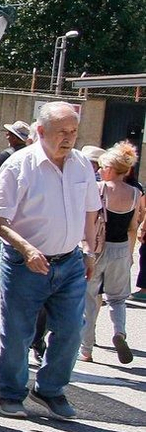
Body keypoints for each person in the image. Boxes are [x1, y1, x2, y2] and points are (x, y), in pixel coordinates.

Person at [0, 101, 100, 419]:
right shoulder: (19, 166)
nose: (68, 138)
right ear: (40, 131)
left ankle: (50, 389)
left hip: (69, 261)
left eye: (74, 131)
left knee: (72, 329)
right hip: (26, 262)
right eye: (61, 132)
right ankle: (11, 393)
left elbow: (91, 210)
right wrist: (27, 249)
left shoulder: (81, 164)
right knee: (18, 331)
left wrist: (90, 249)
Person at [83, 142, 139, 364]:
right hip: (121, 248)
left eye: (102, 167)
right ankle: (119, 332)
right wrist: (130, 254)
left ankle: (86, 350)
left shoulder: (100, 189)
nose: (99, 170)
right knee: (118, 299)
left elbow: (88, 220)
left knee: (89, 298)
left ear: (111, 169)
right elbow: (133, 226)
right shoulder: (135, 193)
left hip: (97, 249)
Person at [0, 120, 34, 288]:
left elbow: (0, 181)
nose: (7, 135)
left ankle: (0, 276)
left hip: (5, 202)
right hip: (21, 203)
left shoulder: (6, 155)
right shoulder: (30, 155)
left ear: (15, 137)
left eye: (10, 133)